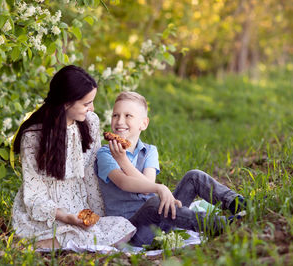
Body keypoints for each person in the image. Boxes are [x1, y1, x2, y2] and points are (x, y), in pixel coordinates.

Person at [96, 91, 246, 247]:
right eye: (115, 115)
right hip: (135, 232)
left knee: (194, 176)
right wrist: (123, 160)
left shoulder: (149, 150)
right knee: (154, 203)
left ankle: (239, 205)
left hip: (166, 220)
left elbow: (147, 184)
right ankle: (218, 225)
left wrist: (157, 187)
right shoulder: (105, 153)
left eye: (128, 116)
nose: (120, 121)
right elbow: (124, 183)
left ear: (144, 124)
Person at [12, 65, 136, 249]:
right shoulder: (33, 137)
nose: (92, 108)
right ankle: (35, 243)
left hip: (80, 208)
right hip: (49, 212)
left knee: (125, 228)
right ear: (66, 102)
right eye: (86, 103)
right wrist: (66, 217)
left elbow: (91, 175)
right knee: (78, 235)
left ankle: (65, 243)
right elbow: (35, 194)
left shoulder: (90, 122)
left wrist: (97, 215)